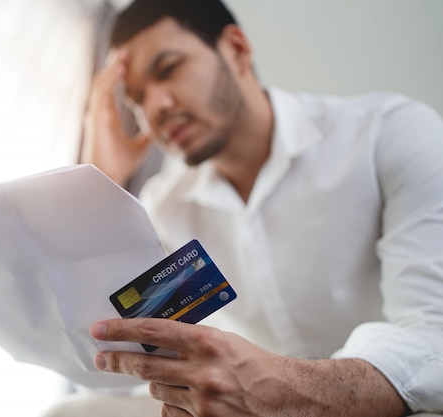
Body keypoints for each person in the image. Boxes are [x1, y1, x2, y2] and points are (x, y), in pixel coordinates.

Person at [44, 0, 443, 415]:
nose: (155, 108)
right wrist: (99, 178)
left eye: (168, 70)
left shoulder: (390, 134)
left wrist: (287, 393)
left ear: (236, 49)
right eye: (137, 98)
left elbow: (434, 340)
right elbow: (112, 351)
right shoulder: (164, 207)